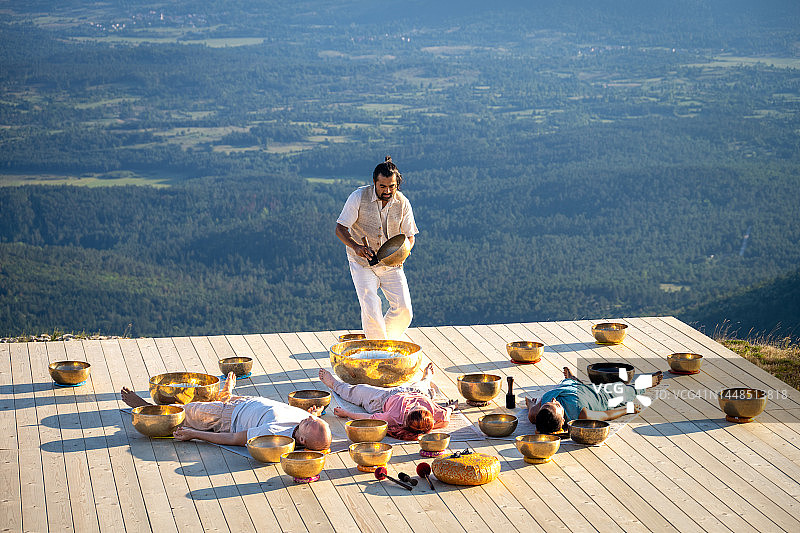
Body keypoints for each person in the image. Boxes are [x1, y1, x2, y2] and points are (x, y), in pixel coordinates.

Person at [121, 372, 332, 451]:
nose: (310, 418)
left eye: (311, 422)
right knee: (205, 400)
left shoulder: (275, 436)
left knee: (184, 412)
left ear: (302, 440)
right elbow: (314, 418)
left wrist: (194, 434)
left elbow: (233, 438)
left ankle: (145, 408)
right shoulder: (306, 421)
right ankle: (227, 394)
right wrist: (317, 412)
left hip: (225, 416)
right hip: (246, 402)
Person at [335, 156, 419, 340]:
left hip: (392, 262)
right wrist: (356, 247)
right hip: (361, 261)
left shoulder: (403, 202)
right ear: (374, 182)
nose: (388, 191)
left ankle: (381, 342)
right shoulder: (358, 196)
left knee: (404, 309)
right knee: (371, 306)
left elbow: (410, 236)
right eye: (383, 186)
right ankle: (378, 350)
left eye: (392, 186)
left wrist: (403, 253)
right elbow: (340, 228)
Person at [319, 363, 456, 440]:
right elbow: (446, 413)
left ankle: (334, 384)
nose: (417, 404)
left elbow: (368, 417)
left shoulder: (393, 417)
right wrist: (452, 407)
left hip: (383, 399)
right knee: (424, 385)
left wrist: (347, 413)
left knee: (358, 390)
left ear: (407, 416)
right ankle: (426, 377)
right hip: (416, 391)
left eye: (414, 408)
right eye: (420, 407)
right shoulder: (434, 414)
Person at [526, 366, 663, 434]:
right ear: (563, 421)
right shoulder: (581, 414)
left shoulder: (540, 408)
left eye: (550, 402)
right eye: (556, 405)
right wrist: (627, 409)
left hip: (571, 388)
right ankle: (646, 383)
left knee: (568, 385)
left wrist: (531, 402)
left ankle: (572, 380)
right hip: (599, 396)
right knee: (623, 391)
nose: (554, 399)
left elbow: (531, 408)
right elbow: (605, 415)